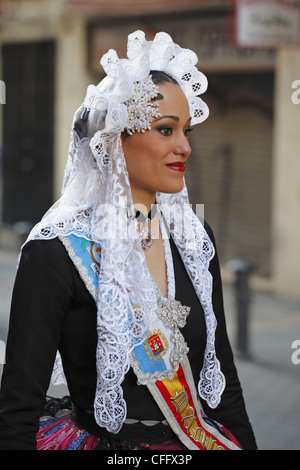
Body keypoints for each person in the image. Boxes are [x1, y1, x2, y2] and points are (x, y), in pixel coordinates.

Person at [0, 31, 257, 451]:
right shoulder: (56, 252)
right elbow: (17, 409)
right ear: (113, 139)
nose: (185, 147)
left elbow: (223, 381)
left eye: (187, 131)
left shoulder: (194, 241)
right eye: (166, 129)